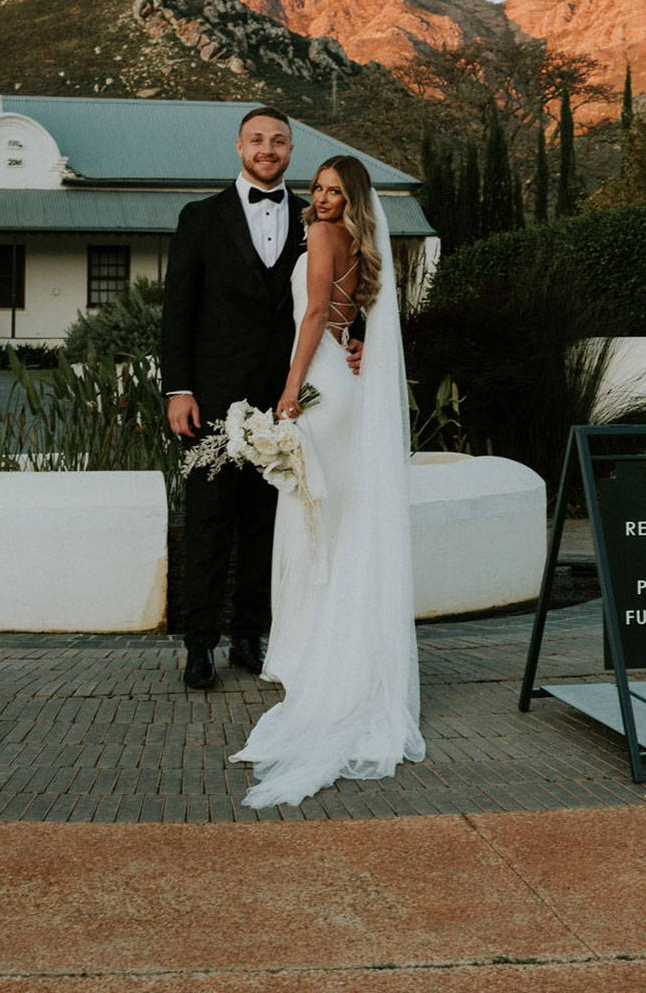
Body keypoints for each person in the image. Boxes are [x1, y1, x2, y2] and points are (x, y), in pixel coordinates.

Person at [230, 155, 426, 808]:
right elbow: (350, 318)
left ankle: (318, 660)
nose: (320, 199)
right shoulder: (359, 245)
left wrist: (287, 392)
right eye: (316, 188)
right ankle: (338, 651)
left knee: (314, 524)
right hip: (345, 385)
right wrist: (347, 348)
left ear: (351, 200)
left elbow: (314, 314)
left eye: (333, 192)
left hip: (317, 385)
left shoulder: (321, 237)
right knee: (337, 524)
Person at [161, 106, 305, 689]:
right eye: (257, 140)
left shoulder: (311, 217)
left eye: (278, 140)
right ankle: (199, 645)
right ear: (238, 147)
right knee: (208, 524)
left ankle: (250, 636)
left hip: (289, 400)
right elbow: (178, 310)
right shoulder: (201, 217)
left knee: (269, 525)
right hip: (213, 400)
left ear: (290, 149)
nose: (267, 148)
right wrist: (179, 389)